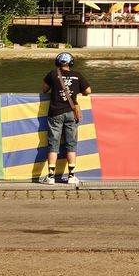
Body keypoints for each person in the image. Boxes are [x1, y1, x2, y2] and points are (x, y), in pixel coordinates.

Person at [39, 52, 91, 186]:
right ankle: (71, 176)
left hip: (55, 113)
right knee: (71, 145)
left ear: (58, 62)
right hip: (71, 113)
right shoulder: (78, 75)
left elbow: (44, 89)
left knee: (53, 145)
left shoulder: (52, 74)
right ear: (71, 63)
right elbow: (88, 90)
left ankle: (50, 177)